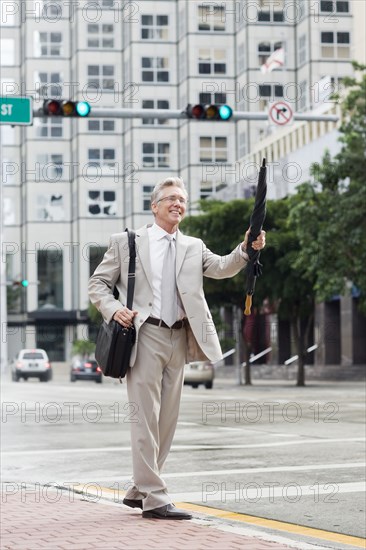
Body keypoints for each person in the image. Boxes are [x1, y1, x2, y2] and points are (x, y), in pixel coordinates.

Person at [88, 177, 266, 520]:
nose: (177, 204)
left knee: (167, 420)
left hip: (179, 338)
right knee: (144, 420)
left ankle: (141, 488)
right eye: (170, 198)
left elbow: (222, 268)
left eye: (182, 199)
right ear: (154, 206)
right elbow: (98, 283)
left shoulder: (193, 246)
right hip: (143, 336)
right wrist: (114, 309)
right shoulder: (127, 243)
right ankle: (155, 497)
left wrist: (246, 249)